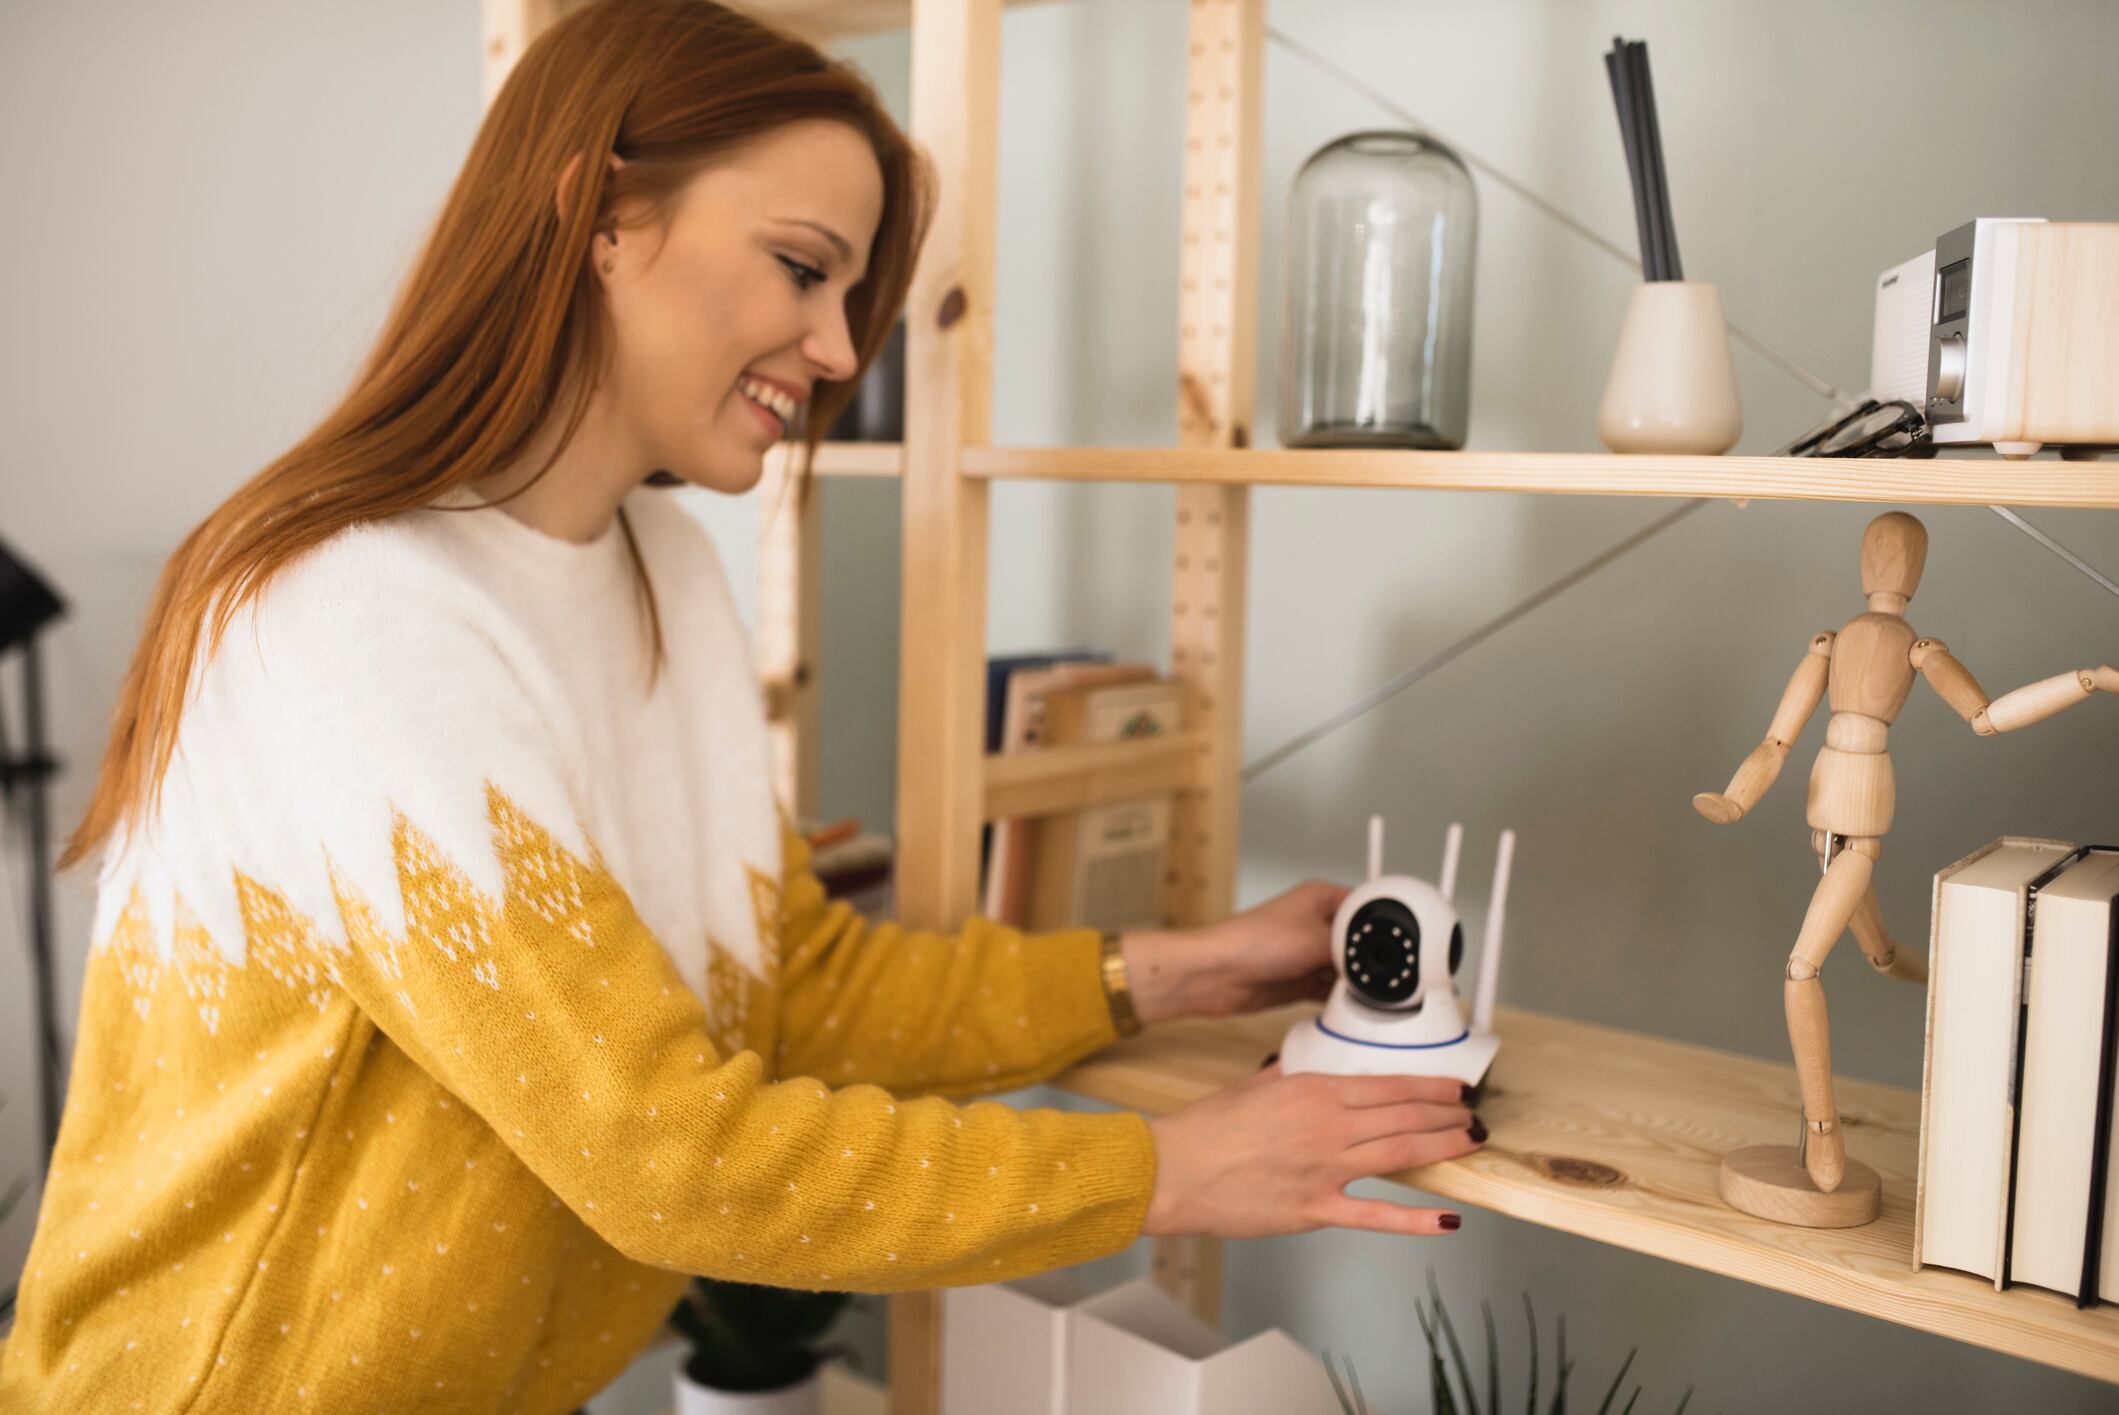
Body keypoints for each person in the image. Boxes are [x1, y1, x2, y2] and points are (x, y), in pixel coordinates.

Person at [0, 1, 1482, 1408]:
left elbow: (795, 985)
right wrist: (1168, 1174)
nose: (841, 349)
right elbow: (666, 1154)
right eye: (801, 267)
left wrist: (1183, 971)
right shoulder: (350, 614)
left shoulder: (661, 572)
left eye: (851, 295)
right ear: (600, 216)